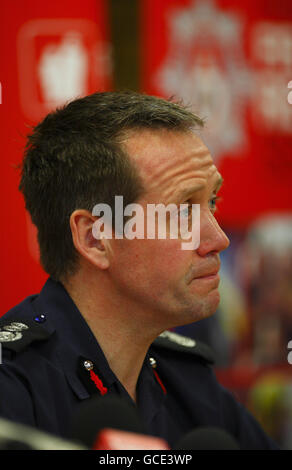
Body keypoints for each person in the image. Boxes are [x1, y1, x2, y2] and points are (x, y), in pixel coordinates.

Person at [0, 91, 277, 449]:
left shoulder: (188, 380)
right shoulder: (13, 389)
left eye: (212, 202)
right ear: (96, 238)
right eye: (182, 211)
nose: (219, 239)